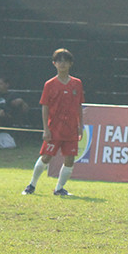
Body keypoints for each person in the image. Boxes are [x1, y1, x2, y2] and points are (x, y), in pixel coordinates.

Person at [23, 49, 85, 196]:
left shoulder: (77, 83)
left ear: (70, 64)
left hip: (71, 129)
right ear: (54, 64)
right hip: (55, 128)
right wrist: (46, 129)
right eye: (59, 61)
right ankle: (31, 185)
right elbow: (45, 106)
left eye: (65, 61)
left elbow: (79, 106)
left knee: (70, 159)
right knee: (46, 157)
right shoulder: (50, 84)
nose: (62, 64)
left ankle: (59, 188)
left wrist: (80, 125)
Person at [0, 76, 29, 149]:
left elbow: (25, 108)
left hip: (7, 118)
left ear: (7, 85)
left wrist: (21, 102)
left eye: (0, 84)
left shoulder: (12, 95)